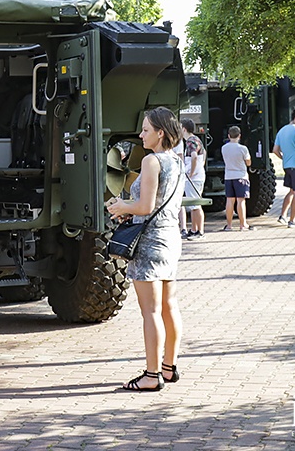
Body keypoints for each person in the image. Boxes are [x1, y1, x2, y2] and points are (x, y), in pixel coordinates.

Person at [106, 107, 185, 392]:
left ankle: (152, 376)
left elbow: (145, 207)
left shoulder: (152, 161)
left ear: (160, 133)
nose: (141, 134)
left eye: (146, 130)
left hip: (150, 242)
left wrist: (121, 206)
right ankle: (169, 367)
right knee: (168, 306)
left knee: (150, 311)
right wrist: (132, 211)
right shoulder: (176, 160)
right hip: (170, 238)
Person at [273, 109, 295, 228]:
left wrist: (283, 158)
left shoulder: (281, 131)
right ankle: (293, 220)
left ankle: (283, 216)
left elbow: (275, 150)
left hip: (287, 166)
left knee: (292, 191)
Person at [221, 126, 254, 231]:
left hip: (228, 176)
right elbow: (248, 162)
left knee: (230, 201)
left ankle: (229, 225)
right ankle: (242, 224)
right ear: (239, 136)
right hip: (241, 176)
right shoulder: (243, 149)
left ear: (228, 136)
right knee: (241, 201)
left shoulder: (224, 148)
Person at [181, 118, 206, 240]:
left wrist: (191, 172)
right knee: (193, 204)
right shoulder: (195, 140)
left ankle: (199, 231)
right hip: (196, 176)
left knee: (196, 204)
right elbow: (204, 153)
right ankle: (194, 229)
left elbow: (194, 156)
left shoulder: (190, 141)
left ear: (184, 129)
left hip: (193, 178)